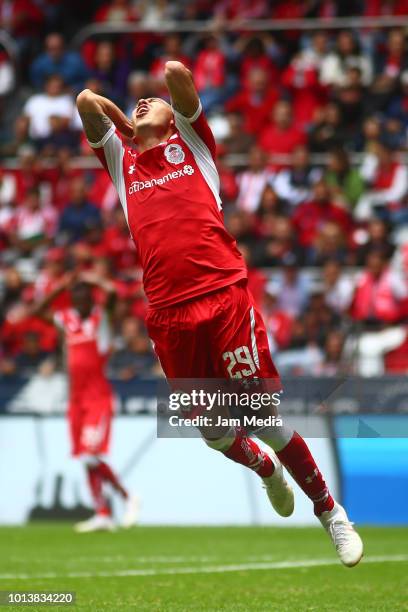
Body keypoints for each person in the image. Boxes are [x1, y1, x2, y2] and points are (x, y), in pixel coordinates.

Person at [76, 61, 363, 566]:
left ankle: (332, 514)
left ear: (174, 117)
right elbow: (83, 101)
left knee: (267, 420)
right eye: (139, 100)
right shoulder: (123, 164)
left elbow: (176, 71)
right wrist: (127, 126)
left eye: (154, 101)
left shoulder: (192, 142)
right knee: (213, 432)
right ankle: (264, 469)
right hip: (168, 315)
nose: (146, 99)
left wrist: (149, 111)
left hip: (224, 298)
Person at [32, 271, 139, 532]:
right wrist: (60, 286)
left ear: (91, 300)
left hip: (97, 397)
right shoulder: (65, 320)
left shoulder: (101, 318)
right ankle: (102, 513)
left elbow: (113, 294)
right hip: (75, 399)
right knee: (83, 457)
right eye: (75, 298)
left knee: (91, 454)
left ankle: (129, 497)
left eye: (84, 298)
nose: (79, 303)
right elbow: (37, 311)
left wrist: (93, 279)